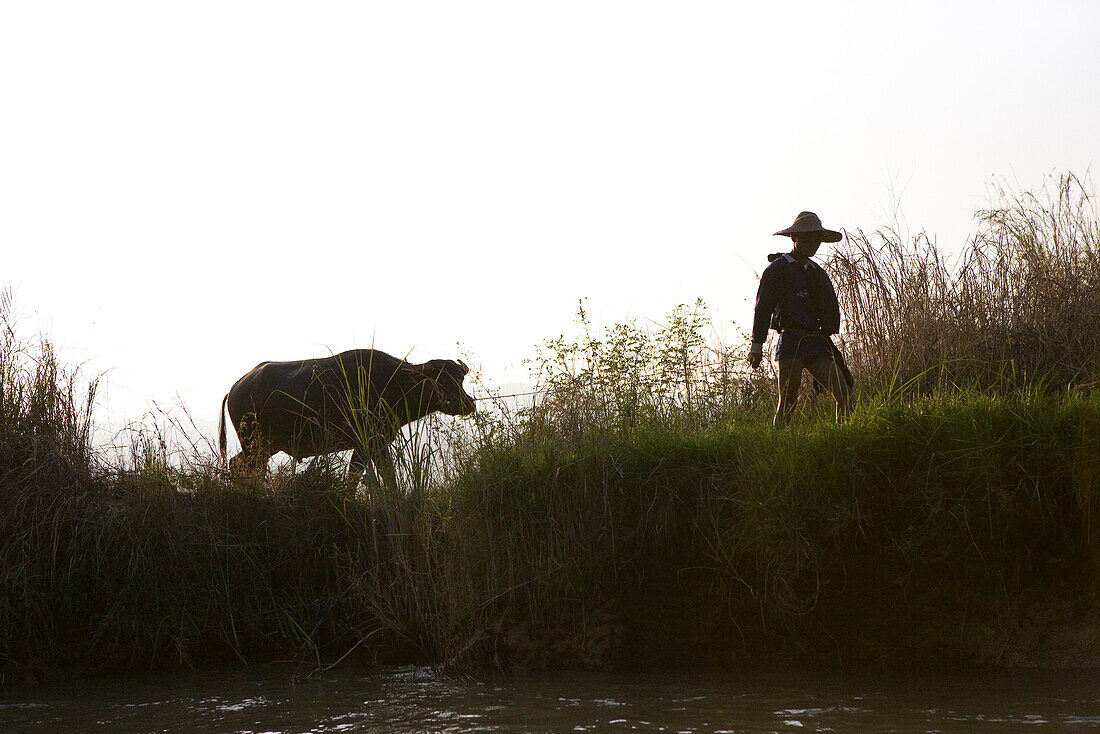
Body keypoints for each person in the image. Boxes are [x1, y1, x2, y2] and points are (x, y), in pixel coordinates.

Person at [747, 211, 852, 427]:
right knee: (788, 401)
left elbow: (830, 312)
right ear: (794, 238)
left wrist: (826, 339)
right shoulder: (777, 270)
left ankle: (842, 441)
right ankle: (777, 447)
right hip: (791, 341)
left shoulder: (817, 273)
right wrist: (757, 345)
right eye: (807, 238)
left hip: (816, 343)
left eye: (816, 239)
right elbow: (763, 308)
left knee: (844, 393)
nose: (813, 244)